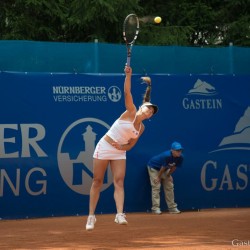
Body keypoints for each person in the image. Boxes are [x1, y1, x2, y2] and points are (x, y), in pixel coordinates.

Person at [86, 65, 158, 231]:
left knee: (119, 181)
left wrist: (121, 146)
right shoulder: (131, 111)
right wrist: (128, 75)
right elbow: (127, 92)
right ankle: (91, 216)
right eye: (149, 108)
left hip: (119, 151)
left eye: (152, 113)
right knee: (97, 181)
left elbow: (131, 145)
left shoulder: (141, 129)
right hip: (104, 146)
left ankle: (119, 214)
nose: (150, 112)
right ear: (142, 107)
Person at [147, 141, 184, 215]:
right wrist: (158, 177)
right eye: (177, 150)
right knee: (156, 186)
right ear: (172, 150)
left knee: (169, 186)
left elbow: (174, 167)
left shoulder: (181, 157)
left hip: (165, 169)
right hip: (154, 168)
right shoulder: (166, 156)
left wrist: (169, 175)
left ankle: (172, 208)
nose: (179, 152)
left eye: (180, 150)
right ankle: (155, 209)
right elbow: (162, 167)